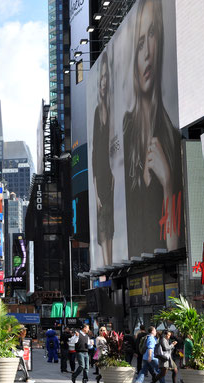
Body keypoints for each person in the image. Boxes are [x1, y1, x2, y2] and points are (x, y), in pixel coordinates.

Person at [123, 0, 183, 259]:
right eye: (138, 44)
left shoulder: (173, 136)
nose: (146, 51)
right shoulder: (126, 128)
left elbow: (175, 249)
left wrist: (168, 183)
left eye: (152, 34)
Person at [92, 50, 115, 266]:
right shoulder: (98, 111)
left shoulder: (112, 108)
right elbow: (95, 152)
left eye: (107, 77)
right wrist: (96, 186)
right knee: (103, 223)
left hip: (112, 173)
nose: (104, 82)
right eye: (102, 77)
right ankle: (107, 265)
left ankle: (110, 265)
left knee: (110, 222)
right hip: (101, 175)